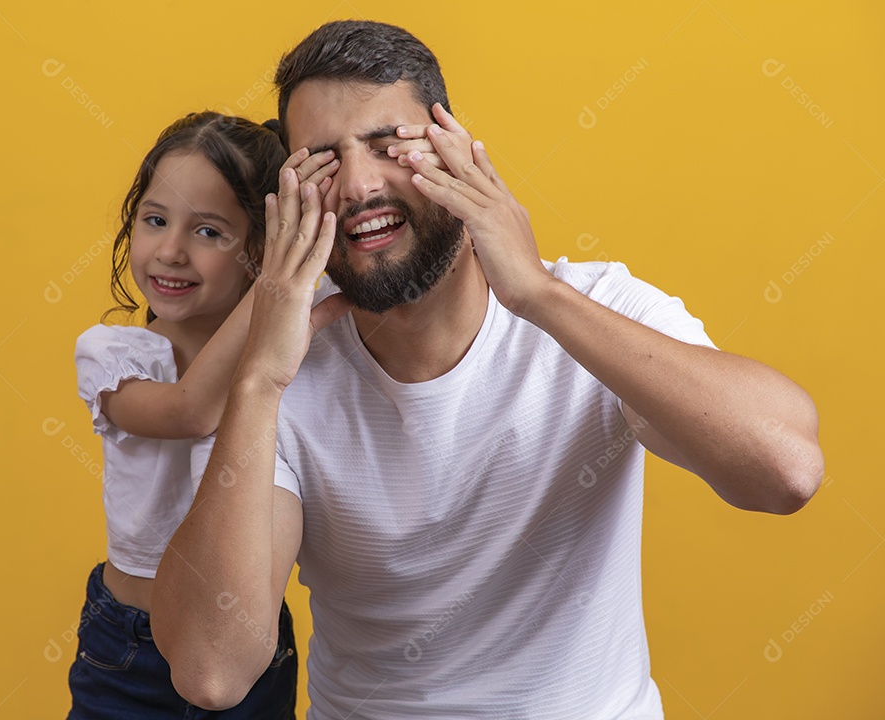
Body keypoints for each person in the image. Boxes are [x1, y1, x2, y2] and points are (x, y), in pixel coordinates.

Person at [152, 22, 824, 719]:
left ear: (456, 153)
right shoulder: (284, 371)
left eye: (389, 146)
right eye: (322, 161)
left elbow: (785, 471)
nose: (357, 183)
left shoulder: (590, 311)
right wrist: (258, 383)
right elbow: (211, 671)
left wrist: (538, 295)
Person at [67, 111, 336, 719]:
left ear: (259, 248)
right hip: (129, 645)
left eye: (210, 233)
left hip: (244, 641)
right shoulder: (114, 355)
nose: (171, 251)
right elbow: (192, 411)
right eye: (156, 221)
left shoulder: (291, 346)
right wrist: (277, 285)